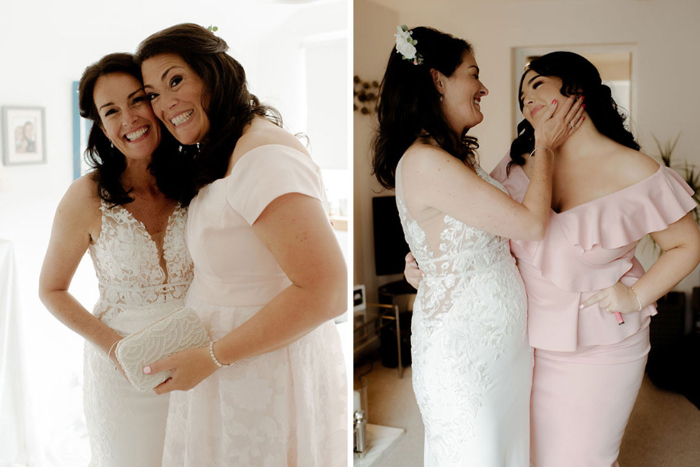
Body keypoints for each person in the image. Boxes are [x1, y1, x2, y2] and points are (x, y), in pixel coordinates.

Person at [407, 51, 700, 466]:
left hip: (602, 350)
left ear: (576, 90)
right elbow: (479, 230)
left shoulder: (636, 171)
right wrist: (428, 262)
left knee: (584, 458)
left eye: (537, 85)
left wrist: (635, 297)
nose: (526, 100)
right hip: (522, 345)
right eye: (522, 94)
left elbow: (687, 244)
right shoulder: (518, 164)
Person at [136, 23, 347, 466]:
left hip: (257, 367)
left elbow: (326, 291)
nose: (165, 103)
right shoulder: (229, 147)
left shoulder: (262, 157)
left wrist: (212, 357)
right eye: (153, 94)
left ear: (213, 74)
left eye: (176, 80)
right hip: (228, 362)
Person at [373, 26, 583, 466]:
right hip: (464, 355)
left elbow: (458, 236)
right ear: (437, 80)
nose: (484, 87)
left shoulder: (452, 157)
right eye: (474, 74)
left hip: (495, 347)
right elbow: (529, 224)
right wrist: (543, 145)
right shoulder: (427, 161)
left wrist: (423, 262)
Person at [39, 53, 195, 466]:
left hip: (198, 359)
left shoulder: (199, 182)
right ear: (102, 127)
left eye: (137, 100)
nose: (129, 118)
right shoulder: (85, 196)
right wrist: (117, 350)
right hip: (123, 376)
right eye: (111, 110)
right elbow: (51, 289)